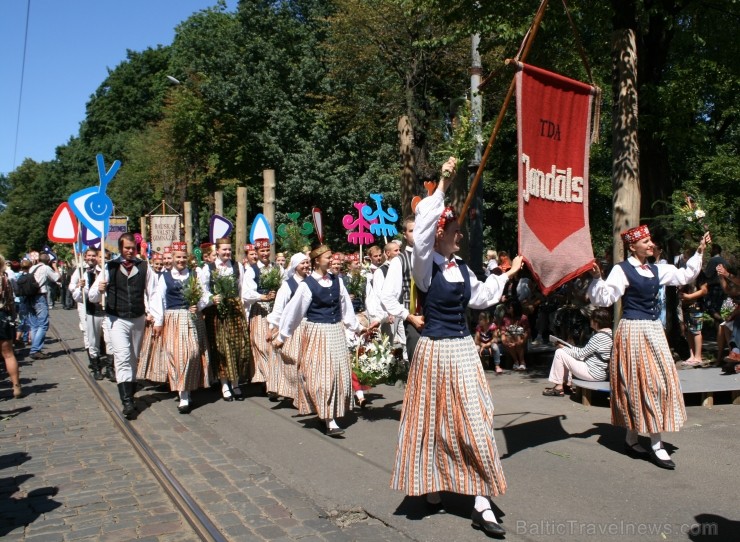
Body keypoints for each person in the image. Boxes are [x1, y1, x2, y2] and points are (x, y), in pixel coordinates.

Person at [390, 157, 523, 536]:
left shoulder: (462, 268)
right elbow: (427, 223)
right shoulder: (422, 263)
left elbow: (481, 298)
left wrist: (507, 274)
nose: (460, 237)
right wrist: (444, 184)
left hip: (463, 349)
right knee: (432, 422)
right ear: (440, 234)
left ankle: (482, 502)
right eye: (456, 232)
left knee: (477, 420)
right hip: (434, 351)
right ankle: (431, 482)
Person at [588, 225, 710, 469]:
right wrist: (596, 278)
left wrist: (699, 250)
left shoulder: (657, 269)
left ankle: (640, 440)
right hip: (632, 330)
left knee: (660, 382)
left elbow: (685, 276)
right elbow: (605, 298)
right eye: (645, 241)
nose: (650, 244)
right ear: (632, 247)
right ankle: (649, 442)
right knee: (639, 384)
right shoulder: (621, 270)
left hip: (654, 331)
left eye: (650, 240)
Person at [273, 243, 377, 436]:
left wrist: (358, 328)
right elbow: (294, 312)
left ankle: (329, 412)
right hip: (317, 333)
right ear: (317, 261)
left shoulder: (337, 281)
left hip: (336, 332)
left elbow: (346, 309)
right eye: (328, 257)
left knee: (338, 374)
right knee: (322, 377)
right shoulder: (307, 285)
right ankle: (329, 419)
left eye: (331, 257)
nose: (331, 260)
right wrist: (282, 335)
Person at [89, 233, 159, 419]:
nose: (129, 251)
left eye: (132, 248)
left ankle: (130, 386)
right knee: (123, 356)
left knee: (134, 357)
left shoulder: (144, 267)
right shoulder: (109, 267)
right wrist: (99, 289)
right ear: (120, 249)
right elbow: (92, 296)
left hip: (137, 318)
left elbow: (153, 293)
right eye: (126, 248)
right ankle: (127, 401)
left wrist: (155, 316)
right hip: (116, 318)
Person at [149, 242, 211, 414]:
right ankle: (183, 394)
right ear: (173, 258)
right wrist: (159, 321)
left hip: (191, 318)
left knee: (191, 353)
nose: (181, 260)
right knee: (177, 356)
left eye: (184, 257)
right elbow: (158, 299)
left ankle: (187, 388)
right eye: (178, 257)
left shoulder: (194, 275)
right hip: (173, 318)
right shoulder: (165, 277)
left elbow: (205, 295)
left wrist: (198, 306)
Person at [200, 237, 251, 402]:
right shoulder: (208, 268)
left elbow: (242, 291)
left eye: (229, 250)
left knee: (238, 348)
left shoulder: (238, 267)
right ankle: (224, 385)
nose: (227, 253)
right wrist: (212, 298)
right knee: (221, 349)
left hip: (235, 311)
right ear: (217, 251)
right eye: (224, 250)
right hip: (217, 313)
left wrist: (244, 312)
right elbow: (203, 290)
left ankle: (235, 383)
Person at [266, 252, 311, 403]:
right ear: (295, 266)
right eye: (302, 263)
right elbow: (279, 308)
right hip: (294, 328)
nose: (306, 266)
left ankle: (305, 393)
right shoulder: (288, 285)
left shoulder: (312, 282)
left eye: (307, 263)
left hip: (310, 327)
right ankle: (294, 393)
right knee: (293, 362)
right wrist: (273, 327)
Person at [380, 216, 424, 364]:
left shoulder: (432, 256)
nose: (416, 233)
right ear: (405, 235)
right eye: (412, 230)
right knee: (418, 367)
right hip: (414, 320)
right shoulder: (400, 261)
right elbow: (387, 296)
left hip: (437, 319)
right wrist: (409, 316)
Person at [542, 307, 613, 396]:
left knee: (560, 353)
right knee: (564, 352)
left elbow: (580, 355)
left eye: (591, 319)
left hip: (593, 373)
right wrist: (567, 346)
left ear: (596, 322)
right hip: (600, 373)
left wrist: (562, 348)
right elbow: (584, 351)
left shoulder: (599, 337)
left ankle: (558, 387)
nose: (590, 321)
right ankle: (566, 384)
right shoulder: (607, 334)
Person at [243, 238, 280, 395]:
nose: (265, 254)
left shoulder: (277, 268)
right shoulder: (252, 270)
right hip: (259, 312)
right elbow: (246, 294)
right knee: (263, 346)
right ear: (257, 253)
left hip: (276, 312)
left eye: (267, 251)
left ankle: (274, 379)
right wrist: (263, 297)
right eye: (262, 251)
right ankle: (268, 381)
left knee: (276, 346)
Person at [27, 253, 60, 360]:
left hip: (29, 297)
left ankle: (34, 348)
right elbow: (56, 278)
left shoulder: (32, 267)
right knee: (43, 324)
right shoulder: (46, 268)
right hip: (39, 297)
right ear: (49, 261)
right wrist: (55, 267)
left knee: (34, 325)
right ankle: (35, 350)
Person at [0, 255, 22, 398]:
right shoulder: (5, 279)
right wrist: (14, 319)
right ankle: (16, 386)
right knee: (8, 354)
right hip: (3, 317)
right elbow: (11, 301)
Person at [678, 271, 708, 367]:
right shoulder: (686, 273)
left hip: (696, 306)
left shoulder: (700, 274)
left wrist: (689, 296)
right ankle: (692, 355)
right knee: (689, 331)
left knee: (696, 331)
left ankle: (698, 356)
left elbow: (704, 290)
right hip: (686, 306)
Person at [501, 300, 529, 371]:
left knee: (517, 334)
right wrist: (504, 340)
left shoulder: (523, 318)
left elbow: (527, 331)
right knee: (508, 336)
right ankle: (516, 361)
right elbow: (503, 331)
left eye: (510, 307)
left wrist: (521, 341)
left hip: (520, 340)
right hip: (510, 340)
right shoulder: (505, 318)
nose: (508, 308)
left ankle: (522, 362)